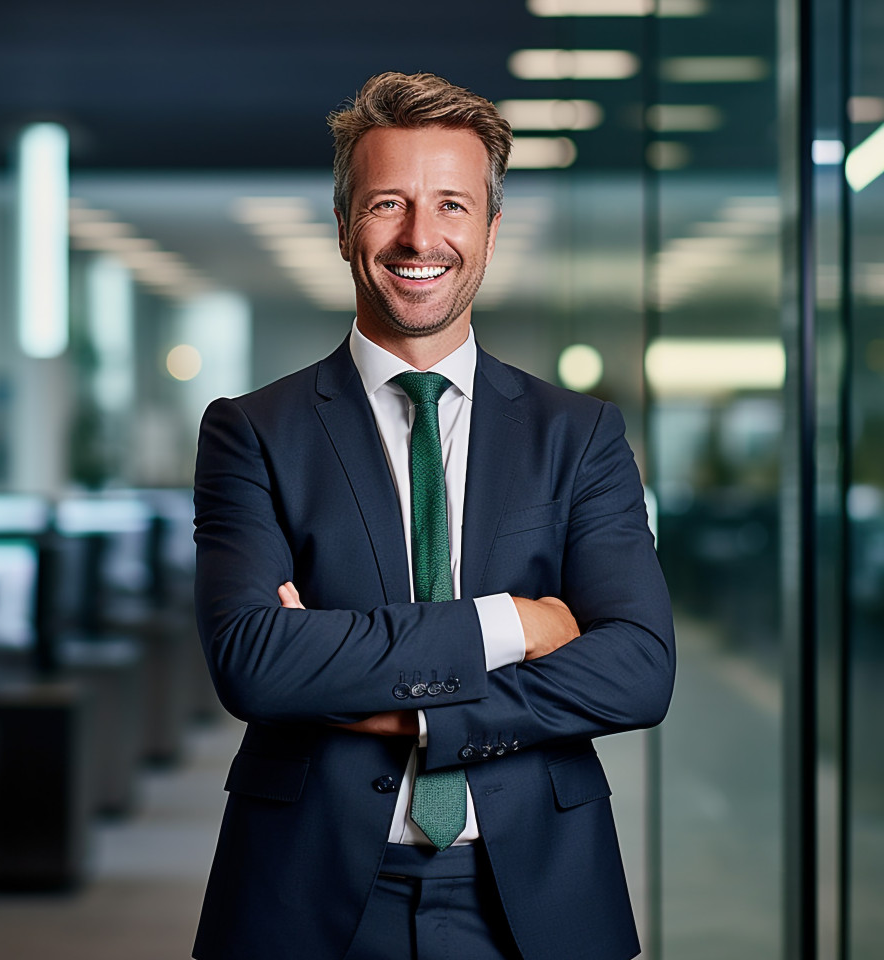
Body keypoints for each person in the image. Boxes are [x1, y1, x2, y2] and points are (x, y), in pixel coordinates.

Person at [191, 71, 674, 960]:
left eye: (452, 204)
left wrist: (409, 712)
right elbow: (256, 663)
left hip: (538, 894)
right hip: (306, 892)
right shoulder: (253, 432)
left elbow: (639, 669)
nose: (421, 236)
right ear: (344, 227)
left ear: (490, 231)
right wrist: (513, 622)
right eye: (388, 203)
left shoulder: (580, 436)